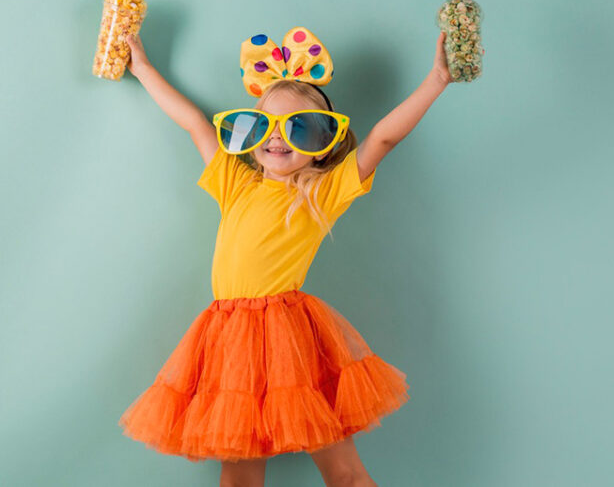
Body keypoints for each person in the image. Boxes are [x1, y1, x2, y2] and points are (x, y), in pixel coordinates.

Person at [117, 26, 454, 487]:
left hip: (289, 340)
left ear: (323, 146)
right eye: (265, 126)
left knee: (345, 473)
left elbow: (381, 140)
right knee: (238, 479)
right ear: (251, 135)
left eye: (302, 128)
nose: (279, 139)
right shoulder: (236, 184)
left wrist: (436, 80)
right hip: (228, 341)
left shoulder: (321, 191)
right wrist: (143, 67)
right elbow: (195, 122)